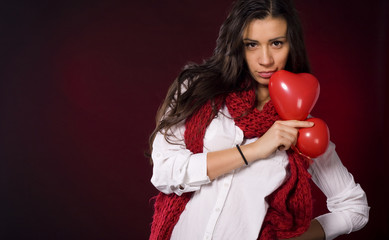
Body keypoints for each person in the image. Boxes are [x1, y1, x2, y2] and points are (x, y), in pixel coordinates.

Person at [148, 0, 370, 239]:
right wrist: (255, 149)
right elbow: (164, 172)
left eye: (276, 43)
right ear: (237, 47)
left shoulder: (301, 129)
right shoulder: (196, 92)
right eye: (252, 45)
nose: (265, 59)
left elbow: (354, 208)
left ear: (291, 45)